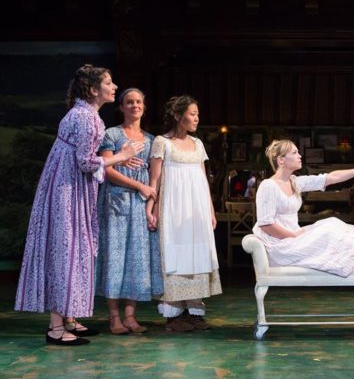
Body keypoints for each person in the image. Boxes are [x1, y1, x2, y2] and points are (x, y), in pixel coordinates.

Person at [15, 65, 145, 345]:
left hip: (71, 187)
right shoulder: (87, 118)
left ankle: (69, 318)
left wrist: (119, 159)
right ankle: (56, 327)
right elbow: (86, 162)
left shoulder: (87, 115)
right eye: (109, 83)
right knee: (67, 249)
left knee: (73, 248)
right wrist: (119, 155)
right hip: (67, 191)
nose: (114, 87)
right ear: (93, 89)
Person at [253, 139, 354, 278]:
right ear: (281, 160)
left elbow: (331, 178)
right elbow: (266, 225)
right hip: (280, 246)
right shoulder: (268, 186)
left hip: (294, 237)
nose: (299, 156)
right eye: (294, 152)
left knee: (332, 222)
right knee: (328, 230)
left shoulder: (294, 182)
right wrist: (294, 236)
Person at [146, 95, 221, 332]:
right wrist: (151, 207)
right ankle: (174, 314)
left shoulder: (198, 144)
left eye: (198, 114)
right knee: (176, 255)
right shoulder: (162, 142)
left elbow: (202, 179)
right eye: (192, 113)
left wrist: (210, 210)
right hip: (173, 207)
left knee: (197, 254)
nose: (197, 118)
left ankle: (195, 312)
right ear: (178, 116)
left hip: (196, 209)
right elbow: (154, 179)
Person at [95, 88, 163, 335]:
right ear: (121, 107)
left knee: (137, 257)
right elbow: (107, 170)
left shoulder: (151, 139)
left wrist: (150, 207)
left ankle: (130, 316)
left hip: (140, 204)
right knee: (115, 256)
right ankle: (114, 317)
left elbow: (155, 176)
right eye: (129, 102)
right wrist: (139, 186)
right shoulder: (111, 134)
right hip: (116, 201)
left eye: (138, 102)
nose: (134, 105)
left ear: (144, 106)